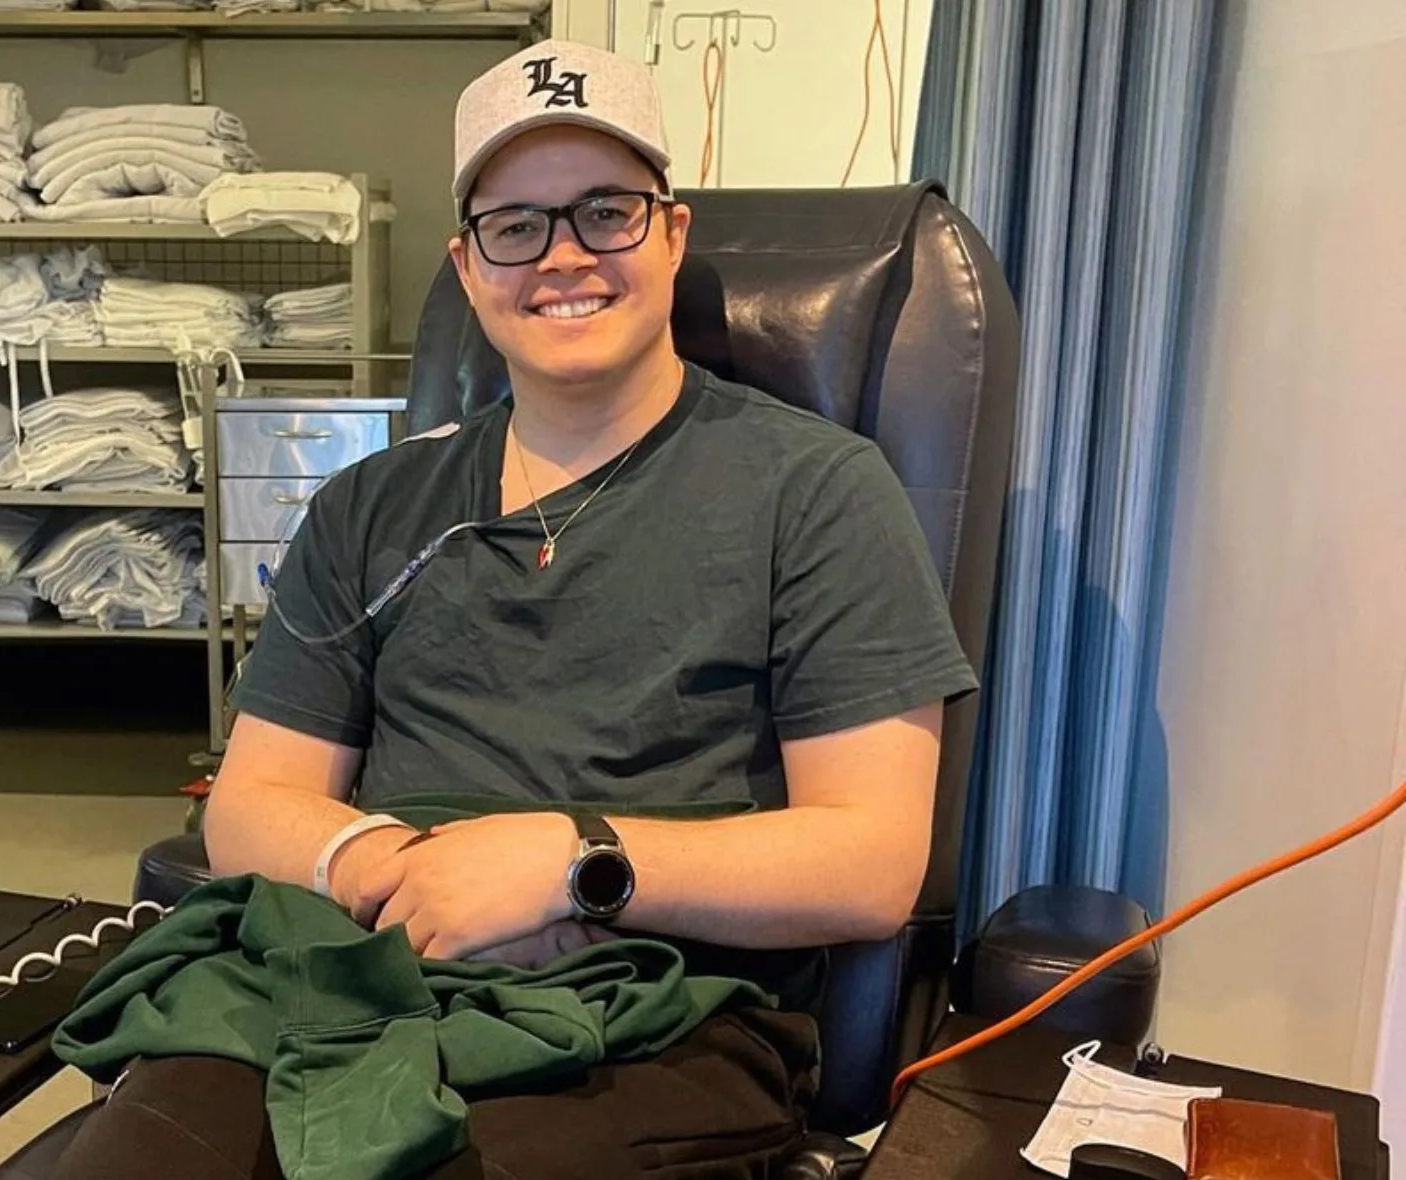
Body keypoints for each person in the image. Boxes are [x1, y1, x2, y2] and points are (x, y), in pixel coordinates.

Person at [51, 39, 976, 1180]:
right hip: (358, 966)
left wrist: (573, 863)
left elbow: (872, 863)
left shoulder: (818, 493)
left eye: (606, 212)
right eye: (517, 225)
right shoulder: (372, 506)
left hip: (656, 1010)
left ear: (672, 233)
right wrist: (385, 867)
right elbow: (252, 802)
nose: (563, 257)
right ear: (468, 262)